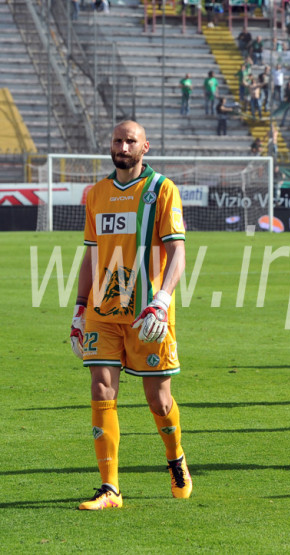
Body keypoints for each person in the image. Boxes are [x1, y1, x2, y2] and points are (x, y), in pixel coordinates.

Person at [69, 120, 191, 510]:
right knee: (101, 389)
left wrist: (163, 300)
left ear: (145, 147)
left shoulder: (162, 190)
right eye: (118, 140)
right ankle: (110, 489)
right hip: (103, 312)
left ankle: (175, 458)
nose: (123, 147)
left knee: (159, 400)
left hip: (147, 315)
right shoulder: (97, 193)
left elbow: (178, 252)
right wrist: (79, 308)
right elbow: (91, 254)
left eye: (130, 141)